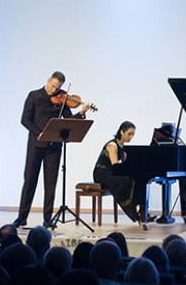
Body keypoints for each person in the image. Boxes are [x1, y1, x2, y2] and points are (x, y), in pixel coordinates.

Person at [13, 71, 91, 228]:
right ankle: (22, 217)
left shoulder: (62, 100)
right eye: (52, 85)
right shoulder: (34, 96)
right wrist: (39, 133)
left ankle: (47, 219)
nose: (54, 90)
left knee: (50, 184)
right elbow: (25, 119)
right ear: (48, 80)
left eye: (57, 88)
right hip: (36, 145)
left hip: (54, 147)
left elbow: (69, 121)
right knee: (29, 181)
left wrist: (82, 112)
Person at [93, 121, 148, 227]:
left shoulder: (123, 148)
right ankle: (133, 209)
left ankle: (140, 210)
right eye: (129, 134)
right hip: (101, 174)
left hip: (110, 173)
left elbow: (124, 165)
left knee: (135, 180)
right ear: (122, 132)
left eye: (133, 134)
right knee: (127, 182)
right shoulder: (112, 145)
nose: (131, 137)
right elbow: (115, 165)